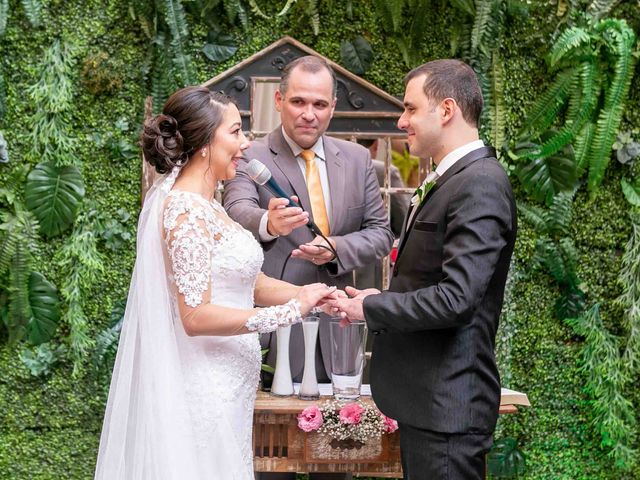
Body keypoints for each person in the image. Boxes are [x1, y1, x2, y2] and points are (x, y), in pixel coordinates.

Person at [94, 86, 338, 480]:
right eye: (236, 131)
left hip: (228, 389)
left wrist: (312, 295)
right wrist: (289, 312)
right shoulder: (186, 212)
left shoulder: (209, 205)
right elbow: (196, 315)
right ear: (206, 142)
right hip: (201, 387)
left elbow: (248, 282)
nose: (245, 144)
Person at [330, 59, 517, 479]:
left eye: (411, 108)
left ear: (446, 110)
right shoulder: (452, 179)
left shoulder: (480, 183)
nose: (402, 120)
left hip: (449, 406)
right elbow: (429, 282)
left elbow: (457, 299)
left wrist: (373, 309)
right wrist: (379, 298)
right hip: (429, 405)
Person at [223, 55, 393, 480]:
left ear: (333, 107)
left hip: (339, 327)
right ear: (279, 100)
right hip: (274, 327)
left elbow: (380, 233)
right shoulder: (252, 154)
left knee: (336, 461)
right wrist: (268, 222)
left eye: (319, 104)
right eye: (299, 101)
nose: (309, 113)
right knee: (272, 460)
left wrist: (335, 248)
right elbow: (236, 208)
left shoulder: (356, 160)